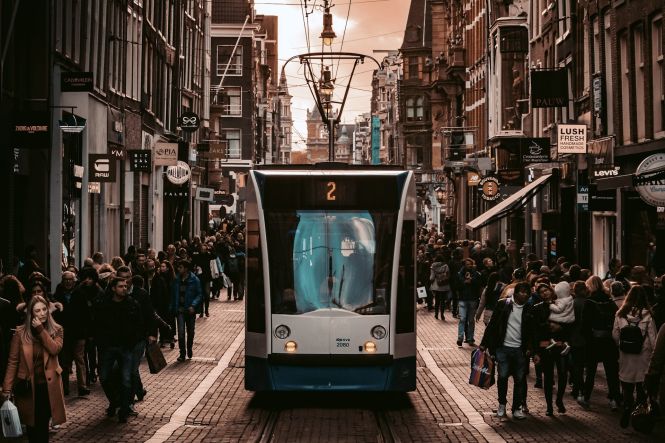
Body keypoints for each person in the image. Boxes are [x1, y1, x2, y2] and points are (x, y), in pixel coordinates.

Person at [2, 295, 66, 441]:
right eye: (38, 311)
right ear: (31, 313)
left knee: (42, 425)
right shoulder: (20, 333)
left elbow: (55, 349)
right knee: (31, 427)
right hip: (27, 387)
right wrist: (7, 388)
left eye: (44, 309)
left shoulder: (57, 330)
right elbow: (13, 361)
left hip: (48, 387)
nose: (42, 313)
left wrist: (40, 330)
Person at [480, 281, 533, 420]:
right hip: (503, 347)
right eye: (522, 292)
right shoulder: (503, 304)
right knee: (502, 377)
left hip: (520, 350)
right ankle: (502, 405)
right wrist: (484, 344)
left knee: (520, 379)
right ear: (515, 293)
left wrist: (531, 349)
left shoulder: (529, 308)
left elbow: (533, 331)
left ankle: (516, 408)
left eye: (527, 292)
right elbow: (492, 325)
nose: (525, 295)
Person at [93, 277, 144, 423]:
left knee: (126, 378)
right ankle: (114, 401)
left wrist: (133, 341)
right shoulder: (104, 304)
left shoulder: (132, 304)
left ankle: (124, 407)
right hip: (108, 346)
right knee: (104, 376)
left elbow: (138, 324)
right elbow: (97, 323)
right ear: (113, 288)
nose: (124, 288)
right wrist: (100, 341)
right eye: (120, 286)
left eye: (125, 286)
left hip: (126, 347)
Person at [612, 285, 657, 428]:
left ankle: (627, 406)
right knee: (641, 385)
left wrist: (621, 345)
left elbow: (615, 334)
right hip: (643, 356)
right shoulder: (648, 315)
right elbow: (653, 339)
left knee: (627, 384)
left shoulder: (620, 314)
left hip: (626, 356)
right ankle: (640, 412)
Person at [581, 275, 621, 410]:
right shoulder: (609, 301)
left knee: (590, 371)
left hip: (594, 341)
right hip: (609, 340)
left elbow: (584, 325)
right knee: (611, 372)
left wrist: (587, 339)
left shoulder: (589, 302)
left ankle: (586, 397)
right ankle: (614, 398)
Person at [532, 283, 572, 416]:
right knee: (548, 376)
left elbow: (570, 323)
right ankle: (549, 405)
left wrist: (561, 328)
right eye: (541, 292)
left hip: (560, 344)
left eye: (546, 290)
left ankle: (559, 400)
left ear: (551, 291)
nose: (544, 293)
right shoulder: (537, 308)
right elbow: (536, 329)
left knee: (562, 373)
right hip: (546, 345)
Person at [170, 260, 202, 362]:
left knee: (191, 331)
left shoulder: (194, 280)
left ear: (186, 269)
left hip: (189, 310)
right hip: (180, 310)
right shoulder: (176, 280)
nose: (178, 269)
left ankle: (189, 348)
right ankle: (182, 353)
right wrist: (172, 307)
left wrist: (193, 305)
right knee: (181, 332)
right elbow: (173, 295)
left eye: (180, 267)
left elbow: (199, 294)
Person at [456, 258, 482, 347]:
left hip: (473, 299)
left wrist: (472, 281)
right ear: (464, 265)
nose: (469, 266)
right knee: (462, 319)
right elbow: (457, 285)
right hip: (463, 299)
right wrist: (464, 282)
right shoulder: (459, 274)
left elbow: (479, 284)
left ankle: (470, 338)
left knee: (471, 320)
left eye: (470, 264)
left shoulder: (476, 274)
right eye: (467, 264)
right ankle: (460, 338)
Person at [429, 254, 450, 321]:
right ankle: (442, 315)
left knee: (437, 300)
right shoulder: (445, 265)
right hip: (444, 284)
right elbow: (448, 275)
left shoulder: (433, 266)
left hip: (436, 285)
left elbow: (432, 277)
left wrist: (431, 281)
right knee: (443, 300)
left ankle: (436, 314)